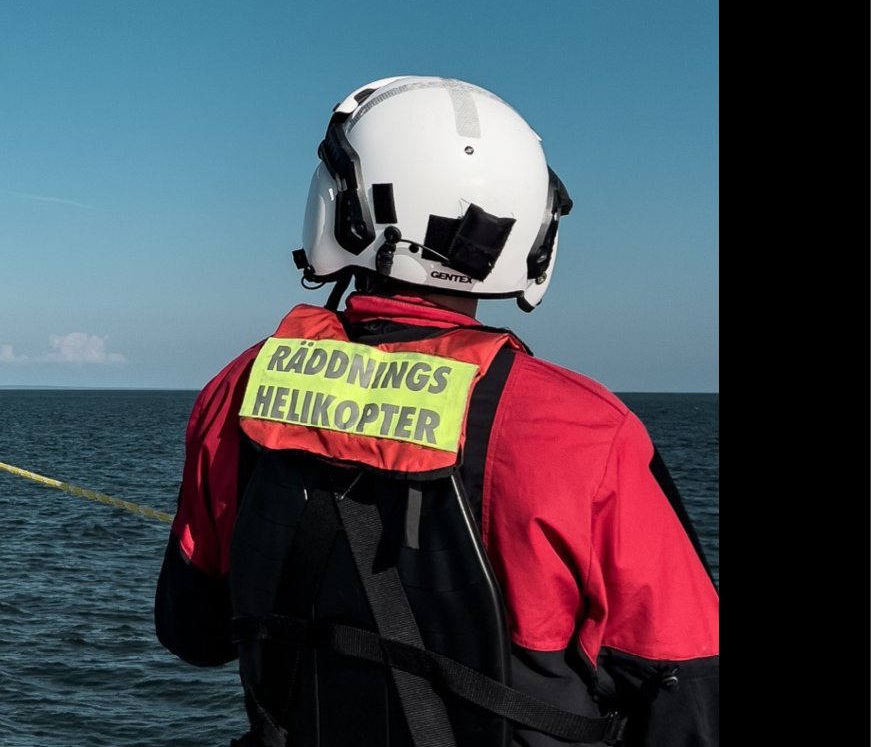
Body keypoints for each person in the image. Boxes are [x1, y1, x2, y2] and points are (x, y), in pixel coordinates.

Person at [154, 77, 719, 746]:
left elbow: (193, 631)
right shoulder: (582, 430)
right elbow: (688, 699)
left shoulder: (240, 389)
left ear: (344, 207)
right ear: (530, 235)